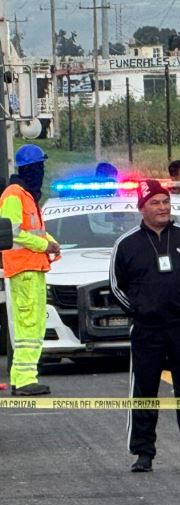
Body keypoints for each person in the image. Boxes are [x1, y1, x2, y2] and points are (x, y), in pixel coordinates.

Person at [110, 179, 180, 472]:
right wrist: (139, 311)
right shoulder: (127, 244)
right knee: (144, 391)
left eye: (165, 202)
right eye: (155, 203)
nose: (162, 208)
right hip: (147, 330)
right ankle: (143, 453)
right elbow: (116, 285)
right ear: (142, 207)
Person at [0, 144, 61, 396]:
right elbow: (13, 231)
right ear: (32, 169)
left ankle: (24, 377)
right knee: (27, 326)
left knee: (33, 325)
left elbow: (32, 228)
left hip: (32, 267)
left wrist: (50, 242)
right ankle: (24, 380)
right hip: (23, 268)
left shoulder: (26, 195)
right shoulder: (14, 194)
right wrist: (43, 244)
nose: (42, 172)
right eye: (40, 167)